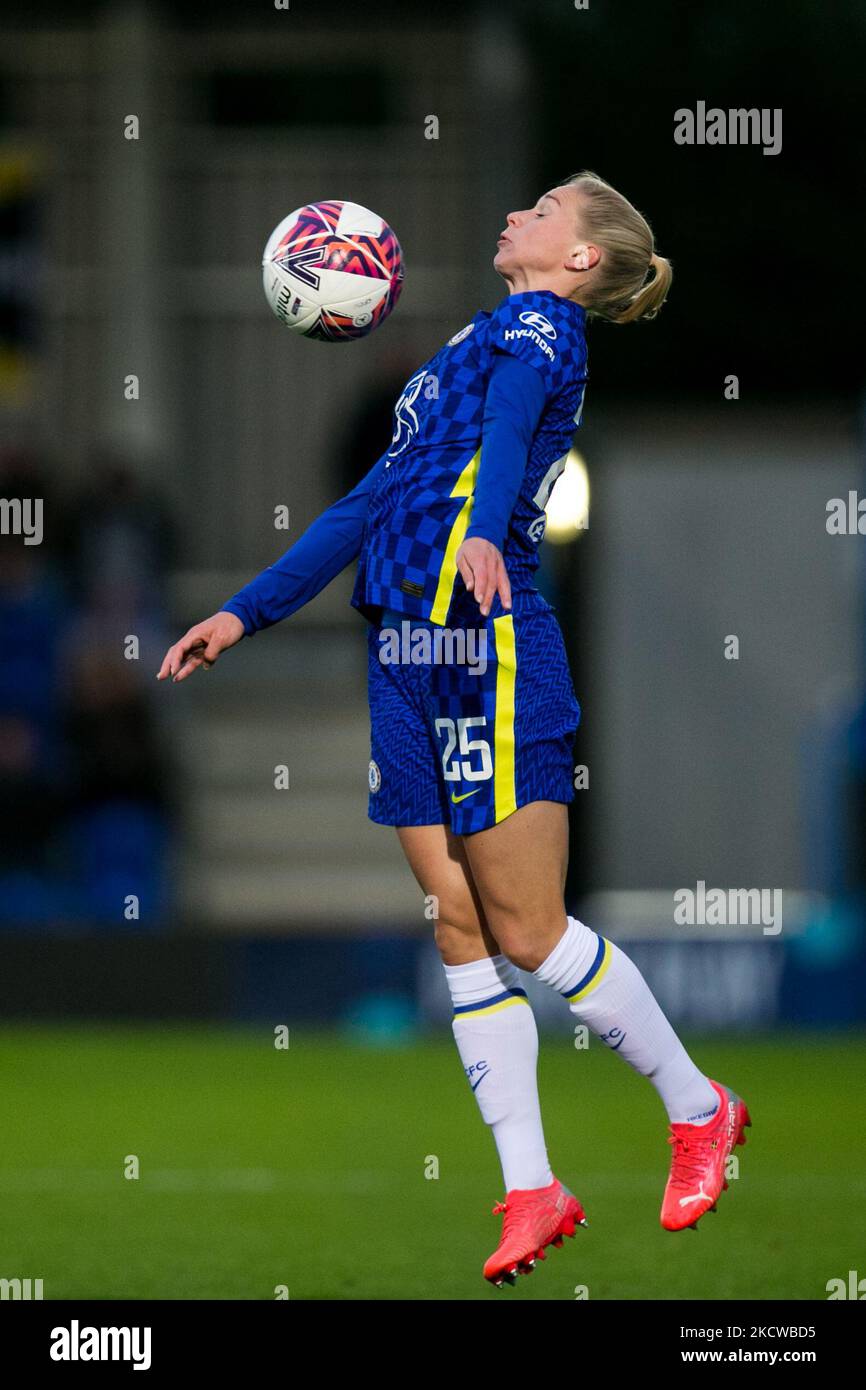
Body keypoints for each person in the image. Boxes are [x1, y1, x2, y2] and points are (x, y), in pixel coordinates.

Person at [158, 170, 751, 1288]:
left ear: (578, 259)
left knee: (527, 929)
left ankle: (699, 1105)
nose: (516, 214)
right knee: (457, 928)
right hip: (401, 649)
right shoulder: (467, 345)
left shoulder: (541, 324)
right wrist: (246, 611)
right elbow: (365, 504)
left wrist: (483, 531)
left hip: (483, 645)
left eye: (541, 210)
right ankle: (531, 1186)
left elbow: (521, 421)